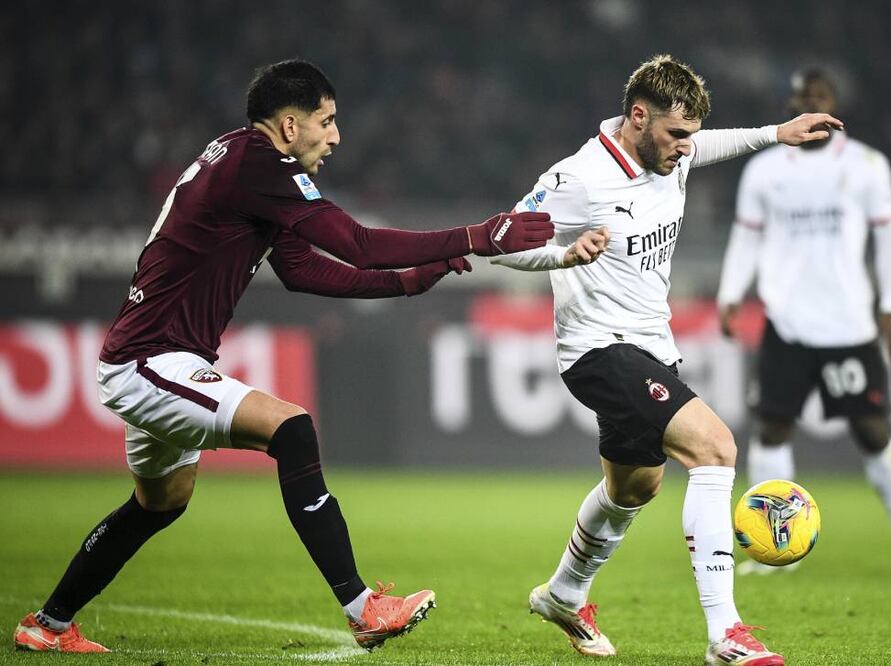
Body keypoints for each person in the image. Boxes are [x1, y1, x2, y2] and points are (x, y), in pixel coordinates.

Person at [12, 59, 557, 654]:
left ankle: (48, 625)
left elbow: (300, 271)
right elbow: (357, 243)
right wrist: (478, 235)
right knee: (293, 430)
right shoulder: (260, 164)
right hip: (149, 361)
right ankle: (361, 607)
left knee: (159, 504)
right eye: (328, 121)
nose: (336, 136)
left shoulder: (240, 160)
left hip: (154, 359)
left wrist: (403, 283)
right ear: (290, 124)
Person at [490, 54, 842, 666]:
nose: (686, 148)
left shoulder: (669, 157)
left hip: (652, 347)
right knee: (714, 447)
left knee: (633, 489)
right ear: (637, 116)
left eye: (691, 136)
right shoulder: (579, 177)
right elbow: (503, 241)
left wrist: (773, 134)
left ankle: (563, 595)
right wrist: (564, 257)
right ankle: (725, 633)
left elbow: (709, 146)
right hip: (598, 349)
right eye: (677, 134)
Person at [715, 68, 891, 579]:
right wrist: (731, 294)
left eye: (819, 96)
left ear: (835, 103)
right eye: (803, 98)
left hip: (849, 323)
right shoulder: (765, 171)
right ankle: (777, 551)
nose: (812, 104)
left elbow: (890, 240)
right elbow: (747, 239)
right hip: (786, 320)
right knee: (772, 428)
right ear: (791, 107)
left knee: (872, 432)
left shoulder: (868, 166)